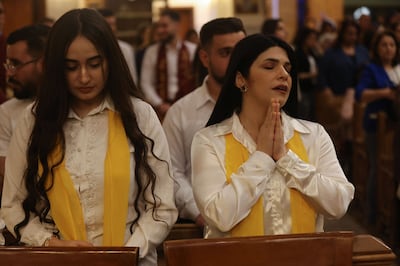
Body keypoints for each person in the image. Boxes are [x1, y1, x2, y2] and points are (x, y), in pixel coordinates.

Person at [0, 9, 177, 266]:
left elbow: (162, 206)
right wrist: (51, 244)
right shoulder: (33, 121)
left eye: (94, 64)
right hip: (57, 261)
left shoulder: (139, 115)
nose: (84, 77)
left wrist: (124, 254)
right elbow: (13, 206)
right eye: (71, 67)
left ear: (111, 62)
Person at [191, 34, 355, 238]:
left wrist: (287, 159)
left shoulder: (313, 135)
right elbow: (219, 216)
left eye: (287, 68)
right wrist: (262, 157)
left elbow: (338, 205)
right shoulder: (209, 140)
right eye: (270, 67)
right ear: (241, 79)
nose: (284, 75)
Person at [162, 18, 246, 227]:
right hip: (201, 221)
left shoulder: (259, 105)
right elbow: (172, 173)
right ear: (205, 57)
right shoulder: (181, 112)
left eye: (241, 52)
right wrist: (201, 211)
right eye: (226, 53)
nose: (236, 60)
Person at [0, 24, 51, 195]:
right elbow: (11, 177)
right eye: (8, 65)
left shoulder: (75, 105)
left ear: (43, 64)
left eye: (15, 64)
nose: (9, 74)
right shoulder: (7, 112)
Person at [355, 30, 399, 225]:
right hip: (376, 125)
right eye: (384, 45)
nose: (388, 48)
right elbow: (361, 94)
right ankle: (372, 214)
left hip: (395, 124)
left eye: (392, 45)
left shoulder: (398, 68)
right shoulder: (371, 69)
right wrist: (386, 93)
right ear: (377, 48)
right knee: (376, 166)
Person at [317, 19, 369, 178]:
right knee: (338, 138)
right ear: (342, 34)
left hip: (359, 100)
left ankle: (356, 171)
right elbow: (322, 75)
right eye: (349, 33)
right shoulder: (332, 52)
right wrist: (326, 92)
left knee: (356, 138)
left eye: (355, 34)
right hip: (337, 98)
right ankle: (337, 171)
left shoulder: (362, 51)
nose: (352, 37)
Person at [140, 9, 197, 120]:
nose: (160, 30)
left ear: (177, 25)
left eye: (164, 26)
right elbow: (145, 83)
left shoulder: (192, 50)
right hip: (161, 109)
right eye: (159, 26)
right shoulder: (152, 52)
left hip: (188, 107)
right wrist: (160, 104)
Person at [97, 8, 138, 85]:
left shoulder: (126, 49)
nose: (112, 28)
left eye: (114, 24)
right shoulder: (91, 49)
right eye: (108, 25)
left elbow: (132, 80)